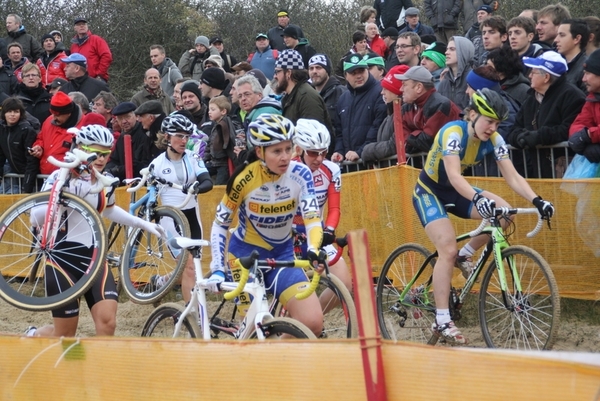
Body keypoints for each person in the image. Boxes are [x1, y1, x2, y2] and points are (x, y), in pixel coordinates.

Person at [412, 88, 555, 344]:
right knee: (446, 248)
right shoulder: (453, 133)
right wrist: (477, 198)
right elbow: (454, 176)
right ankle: (442, 319)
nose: (492, 128)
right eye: (489, 121)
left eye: (497, 123)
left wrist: (537, 200)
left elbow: (512, 176)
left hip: (456, 192)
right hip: (430, 191)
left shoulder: (495, 140)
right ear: (472, 114)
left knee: (505, 213)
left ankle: (465, 254)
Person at [25, 125, 165, 338]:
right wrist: (63, 199)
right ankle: (34, 335)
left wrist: (143, 224)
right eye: (96, 153)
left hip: (95, 258)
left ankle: (97, 370)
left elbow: (108, 210)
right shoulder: (60, 176)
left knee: (108, 324)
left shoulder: (104, 180)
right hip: (62, 259)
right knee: (65, 334)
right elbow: (35, 218)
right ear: (80, 148)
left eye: (106, 153)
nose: (101, 158)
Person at [207, 113, 325, 337]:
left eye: (288, 149)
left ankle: (277, 361)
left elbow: (312, 219)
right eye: (276, 151)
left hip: (281, 254)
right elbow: (220, 225)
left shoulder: (301, 174)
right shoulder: (244, 178)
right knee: (256, 332)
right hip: (244, 259)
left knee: (312, 322)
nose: (285, 157)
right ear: (260, 152)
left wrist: (313, 249)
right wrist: (217, 269)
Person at [147, 114, 213, 303]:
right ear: (167, 137)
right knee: (188, 266)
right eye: (179, 136)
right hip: (170, 218)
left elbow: (207, 180)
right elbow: (151, 197)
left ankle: (160, 282)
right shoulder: (157, 164)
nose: (184, 141)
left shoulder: (193, 157)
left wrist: (198, 186)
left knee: (192, 267)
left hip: (192, 215)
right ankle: (193, 314)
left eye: (187, 136)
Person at [292, 119, 353, 312]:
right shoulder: (286, 169)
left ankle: (310, 321)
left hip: (315, 231)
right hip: (288, 233)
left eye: (323, 152)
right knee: (295, 290)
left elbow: (335, 208)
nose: (318, 158)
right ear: (299, 149)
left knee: (344, 283)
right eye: (312, 153)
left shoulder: (331, 170)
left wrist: (329, 230)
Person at [507, 51, 586, 178]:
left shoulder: (573, 96)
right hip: (536, 171)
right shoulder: (531, 99)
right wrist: (520, 138)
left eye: (533, 72)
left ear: (546, 77)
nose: (529, 75)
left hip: (565, 172)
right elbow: (514, 129)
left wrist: (538, 137)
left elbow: (569, 130)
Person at [332, 54, 386, 163]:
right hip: (351, 163)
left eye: (361, 71)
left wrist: (360, 152)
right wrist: (339, 151)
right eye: (353, 73)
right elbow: (339, 132)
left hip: (372, 162)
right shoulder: (343, 99)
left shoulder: (380, 92)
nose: (358, 76)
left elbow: (377, 128)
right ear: (346, 75)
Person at [361, 64, 409, 163]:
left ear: (397, 91)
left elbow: (394, 145)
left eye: (386, 88)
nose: (382, 92)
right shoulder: (390, 113)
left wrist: (367, 150)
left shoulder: (403, 113)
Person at [30, 91, 83, 175]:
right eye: (52, 114)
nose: (54, 118)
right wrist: (39, 147)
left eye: (57, 115)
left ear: (68, 113)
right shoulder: (48, 121)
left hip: (68, 179)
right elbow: (41, 138)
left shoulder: (83, 127)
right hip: (46, 178)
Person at [104, 101, 152, 182]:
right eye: (120, 118)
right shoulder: (122, 136)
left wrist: (117, 170)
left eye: (127, 117)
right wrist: (108, 170)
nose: (123, 121)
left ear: (136, 117)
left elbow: (137, 165)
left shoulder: (144, 134)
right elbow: (114, 160)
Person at [0, 97, 38, 193]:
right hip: (12, 174)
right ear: (4, 113)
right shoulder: (2, 129)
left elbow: (32, 161)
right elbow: (1, 154)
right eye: (9, 111)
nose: (12, 115)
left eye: (16, 112)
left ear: (20, 113)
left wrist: (27, 187)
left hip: (29, 177)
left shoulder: (27, 130)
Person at [569, 49, 600, 163]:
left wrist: (588, 135)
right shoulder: (592, 99)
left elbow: (584, 133)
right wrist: (587, 146)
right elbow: (578, 126)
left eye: (587, 73)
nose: (583, 79)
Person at [205, 95, 237, 184]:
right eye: (209, 109)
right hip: (214, 161)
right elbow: (211, 143)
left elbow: (229, 140)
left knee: (220, 185)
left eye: (213, 109)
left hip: (223, 163)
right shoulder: (216, 125)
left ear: (223, 111)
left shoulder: (224, 125)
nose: (209, 112)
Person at [69, 17, 112, 82]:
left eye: (84, 24)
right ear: (75, 28)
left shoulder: (96, 40)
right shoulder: (73, 46)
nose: (82, 26)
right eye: (79, 24)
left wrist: (99, 74)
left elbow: (107, 56)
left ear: (87, 26)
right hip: (79, 80)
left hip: (96, 79)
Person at [438, 36, 475, 110]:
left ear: (463, 52)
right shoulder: (444, 81)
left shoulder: (473, 79)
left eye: (452, 49)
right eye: (447, 49)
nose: (446, 52)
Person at [555, 19, 589, 93]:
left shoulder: (586, 68)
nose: (556, 40)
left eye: (562, 35)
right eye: (557, 35)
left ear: (577, 39)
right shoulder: (556, 62)